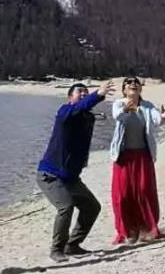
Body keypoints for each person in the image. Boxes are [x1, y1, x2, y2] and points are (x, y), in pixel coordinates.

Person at [35, 80, 118, 263]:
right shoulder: (64, 112)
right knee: (66, 206)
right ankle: (56, 249)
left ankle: (72, 245)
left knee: (92, 207)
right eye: (79, 91)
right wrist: (97, 95)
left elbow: (84, 113)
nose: (83, 94)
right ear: (69, 97)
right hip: (50, 174)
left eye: (85, 92)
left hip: (71, 177)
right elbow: (76, 110)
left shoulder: (86, 117)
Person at [106, 78, 165, 245]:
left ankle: (146, 228)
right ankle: (127, 231)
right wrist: (126, 109)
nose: (133, 85)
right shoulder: (118, 104)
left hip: (143, 156)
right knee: (123, 195)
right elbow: (117, 116)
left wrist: (163, 117)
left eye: (136, 83)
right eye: (129, 84)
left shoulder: (147, 105)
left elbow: (157, 121)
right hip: (122, 157)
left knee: (143, 192)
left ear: (140, 88)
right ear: (124, 89)